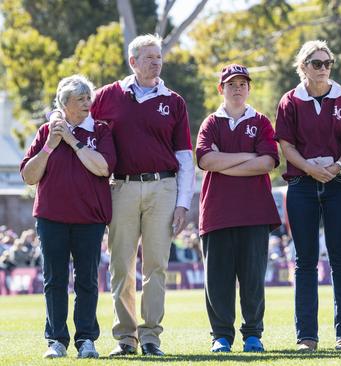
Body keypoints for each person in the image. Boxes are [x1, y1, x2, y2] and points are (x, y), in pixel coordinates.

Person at [50, 34, 195, 356]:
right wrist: (55, 120)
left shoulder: (173, 101)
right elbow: (73, 114)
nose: (156, 62)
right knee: (121, 266)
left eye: (158, 57)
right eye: (148, 57)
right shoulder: (105, 96)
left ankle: (151, 336)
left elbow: (185, 156)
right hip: (121, 187)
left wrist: (184, 203)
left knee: (156, 265)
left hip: (163, 187)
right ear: (133, 61)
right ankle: (126, 338)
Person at [275, 40, 341, 351]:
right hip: (301, 185)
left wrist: (338, 165)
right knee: (305, 262)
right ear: (303, 67)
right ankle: (307, 338)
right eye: (316, 63)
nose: (323, 68)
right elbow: (286, 146)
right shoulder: (289, 101)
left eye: (327, 63)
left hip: (339, 184)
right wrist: (310, 170)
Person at [21, 75, 116, 358]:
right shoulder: (45, 133)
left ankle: (86, 339)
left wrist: (72, 140)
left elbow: (103, 168)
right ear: (64, 105)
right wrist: (50, 144)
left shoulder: (100, 131)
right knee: (55, 279)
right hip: (51, 218)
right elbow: (28, 176)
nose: (88, 103)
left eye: (89, 98)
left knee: (87, 280)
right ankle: (56, 340)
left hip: (90, 218)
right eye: (81, 99)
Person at [196, 64, 281, 353]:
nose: (237, 88)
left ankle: (253, 335)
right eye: (231, 84)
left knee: (253, 280)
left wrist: (226, 161)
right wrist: (248, 157)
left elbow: (267, 163)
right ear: (221, 89)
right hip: (217, 213)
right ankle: (220, 336)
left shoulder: (260, 122)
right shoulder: (210, 123)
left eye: (242, 84)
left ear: (249, 88)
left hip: (255, 212)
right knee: (218, 282)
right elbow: (207, 161)